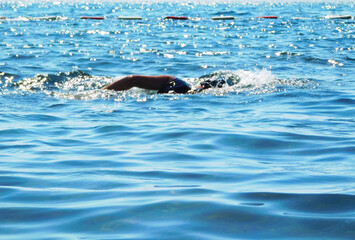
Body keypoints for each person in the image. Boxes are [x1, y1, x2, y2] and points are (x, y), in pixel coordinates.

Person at [102, 74, 228, 94]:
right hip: (173, 83)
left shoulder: (187, 89)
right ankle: (103, 91)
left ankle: (103, 91)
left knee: (133, 80)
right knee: (133, 80)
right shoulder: (185, 88)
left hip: (174, 83)